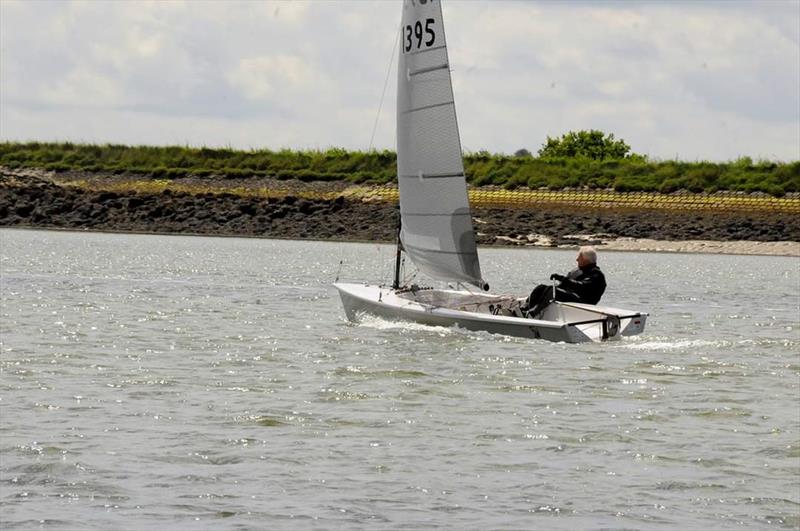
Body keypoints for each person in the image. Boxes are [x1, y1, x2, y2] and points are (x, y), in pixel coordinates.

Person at [522, 246, 607, 318]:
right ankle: (525, 308)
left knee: (552, 291)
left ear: (585, 260)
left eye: (579, 257)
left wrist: (562, 278)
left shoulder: (597, 275)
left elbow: (581, 286)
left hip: (583, 303)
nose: (576, 259)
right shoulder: (577, 271)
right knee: (542, 287)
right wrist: (554, 286)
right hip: (571, 297)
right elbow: (563, 286)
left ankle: (532, 314)